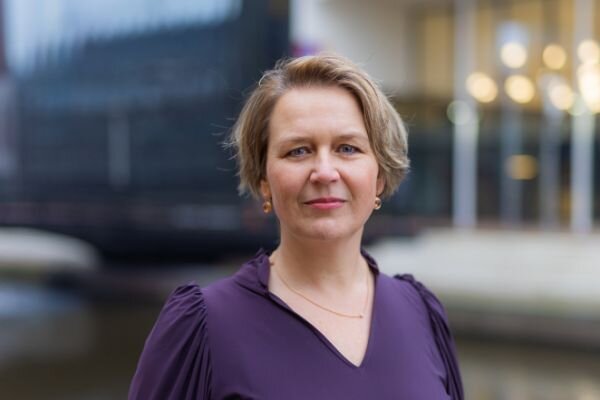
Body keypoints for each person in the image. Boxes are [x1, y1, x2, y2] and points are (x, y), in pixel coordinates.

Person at [128, 53, 463, 399]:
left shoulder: (421, 312)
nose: (325, 172)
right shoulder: (205, 328)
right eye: (298, 151)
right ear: (264, 181)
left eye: (347, 148)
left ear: (379, 176)